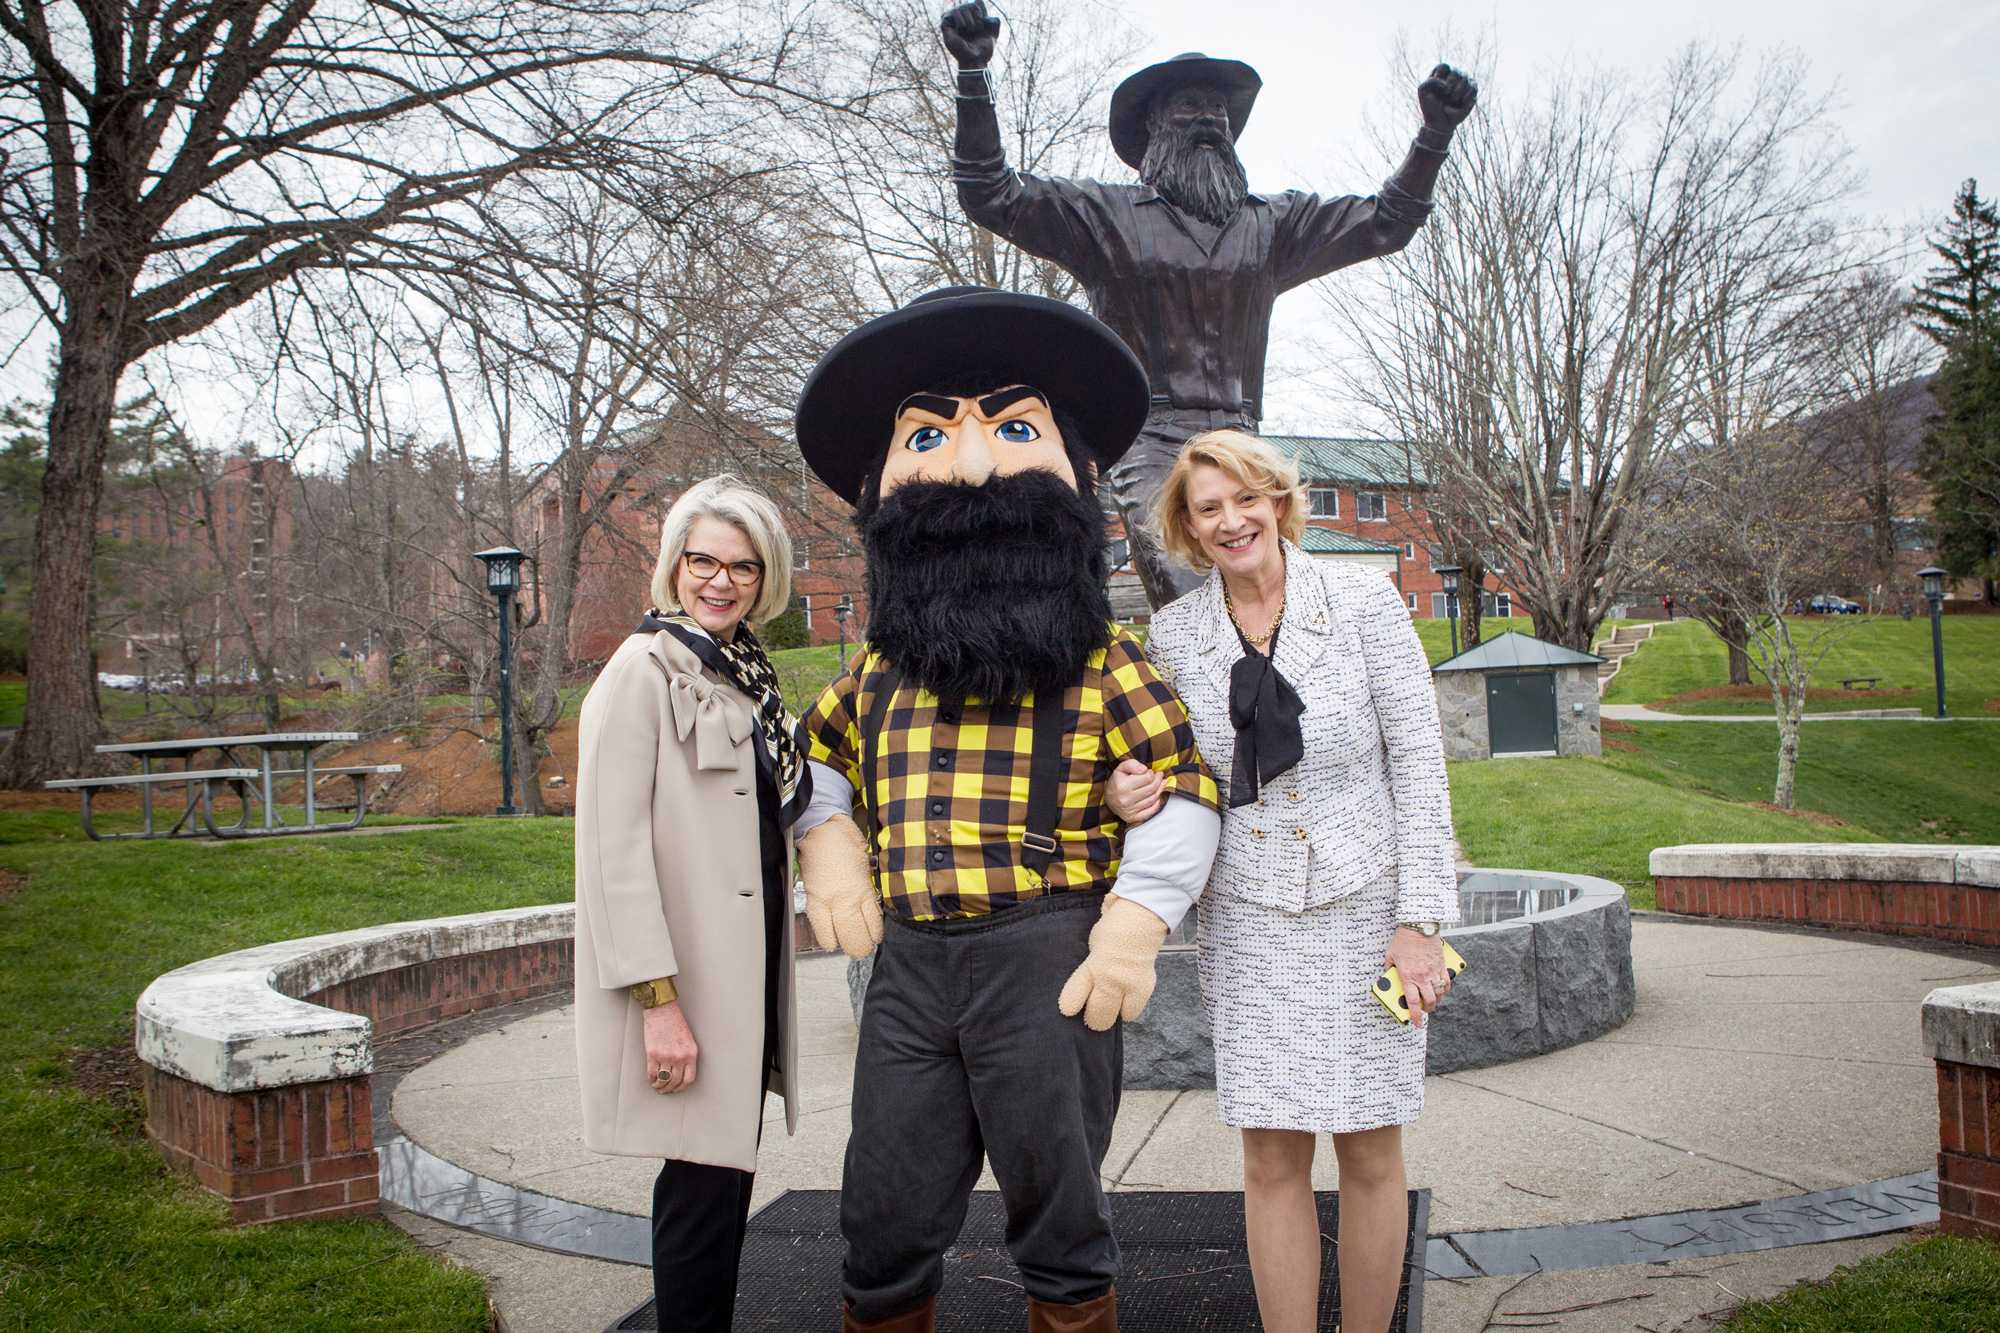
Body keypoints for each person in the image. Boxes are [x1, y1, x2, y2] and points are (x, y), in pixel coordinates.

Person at [788, 285, 1223, 1332]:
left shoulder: (1106, 661)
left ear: (1070, 475)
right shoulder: (875, 670)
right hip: (910, 967)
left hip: (1050, 959)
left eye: (1013, 429)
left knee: (1058, 1209)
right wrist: (830, 841)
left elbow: (1188, 788)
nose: (973, 465)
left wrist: (1134, 920)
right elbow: (810, 760)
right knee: (882, 1205)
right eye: (928, 435)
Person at [939, 1, 1478, 606]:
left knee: (1275, 595)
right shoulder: (1107, 217)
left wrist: (1435, 133)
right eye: (1189, 108)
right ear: (1154, 128)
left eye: (1219, 110)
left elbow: (1388, 223)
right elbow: (991, 193)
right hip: (1152, 442)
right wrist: (973, 77)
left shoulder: (1273, 224)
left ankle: (1275, 701)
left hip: (1246, 442)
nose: (1208, 120)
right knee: (1189, 591)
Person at [1108, 431, 1460, 1333]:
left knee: (1372, 1148)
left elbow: (1420, 762)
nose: (1232, 522)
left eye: (1245, 500)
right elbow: (1174, 770)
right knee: (1269, 1155)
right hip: (1252, 915)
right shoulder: (1177, 634)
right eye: (1208, 508)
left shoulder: (1362, 600)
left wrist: (1420, 919)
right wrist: (1128, 791)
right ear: (1187, 529)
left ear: (1278, 501)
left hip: (1368, 907)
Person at [572, 475, 811, 1333]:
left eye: (743, 567)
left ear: (766, 578)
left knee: (720, 1183)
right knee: (700, 1194)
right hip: (685, 988)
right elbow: (611, 855)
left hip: (739, 982)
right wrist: (657, 1003)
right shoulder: (640, 671)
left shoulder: (741, 670)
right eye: (703, 560)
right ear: (674, 564)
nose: (721, 580)